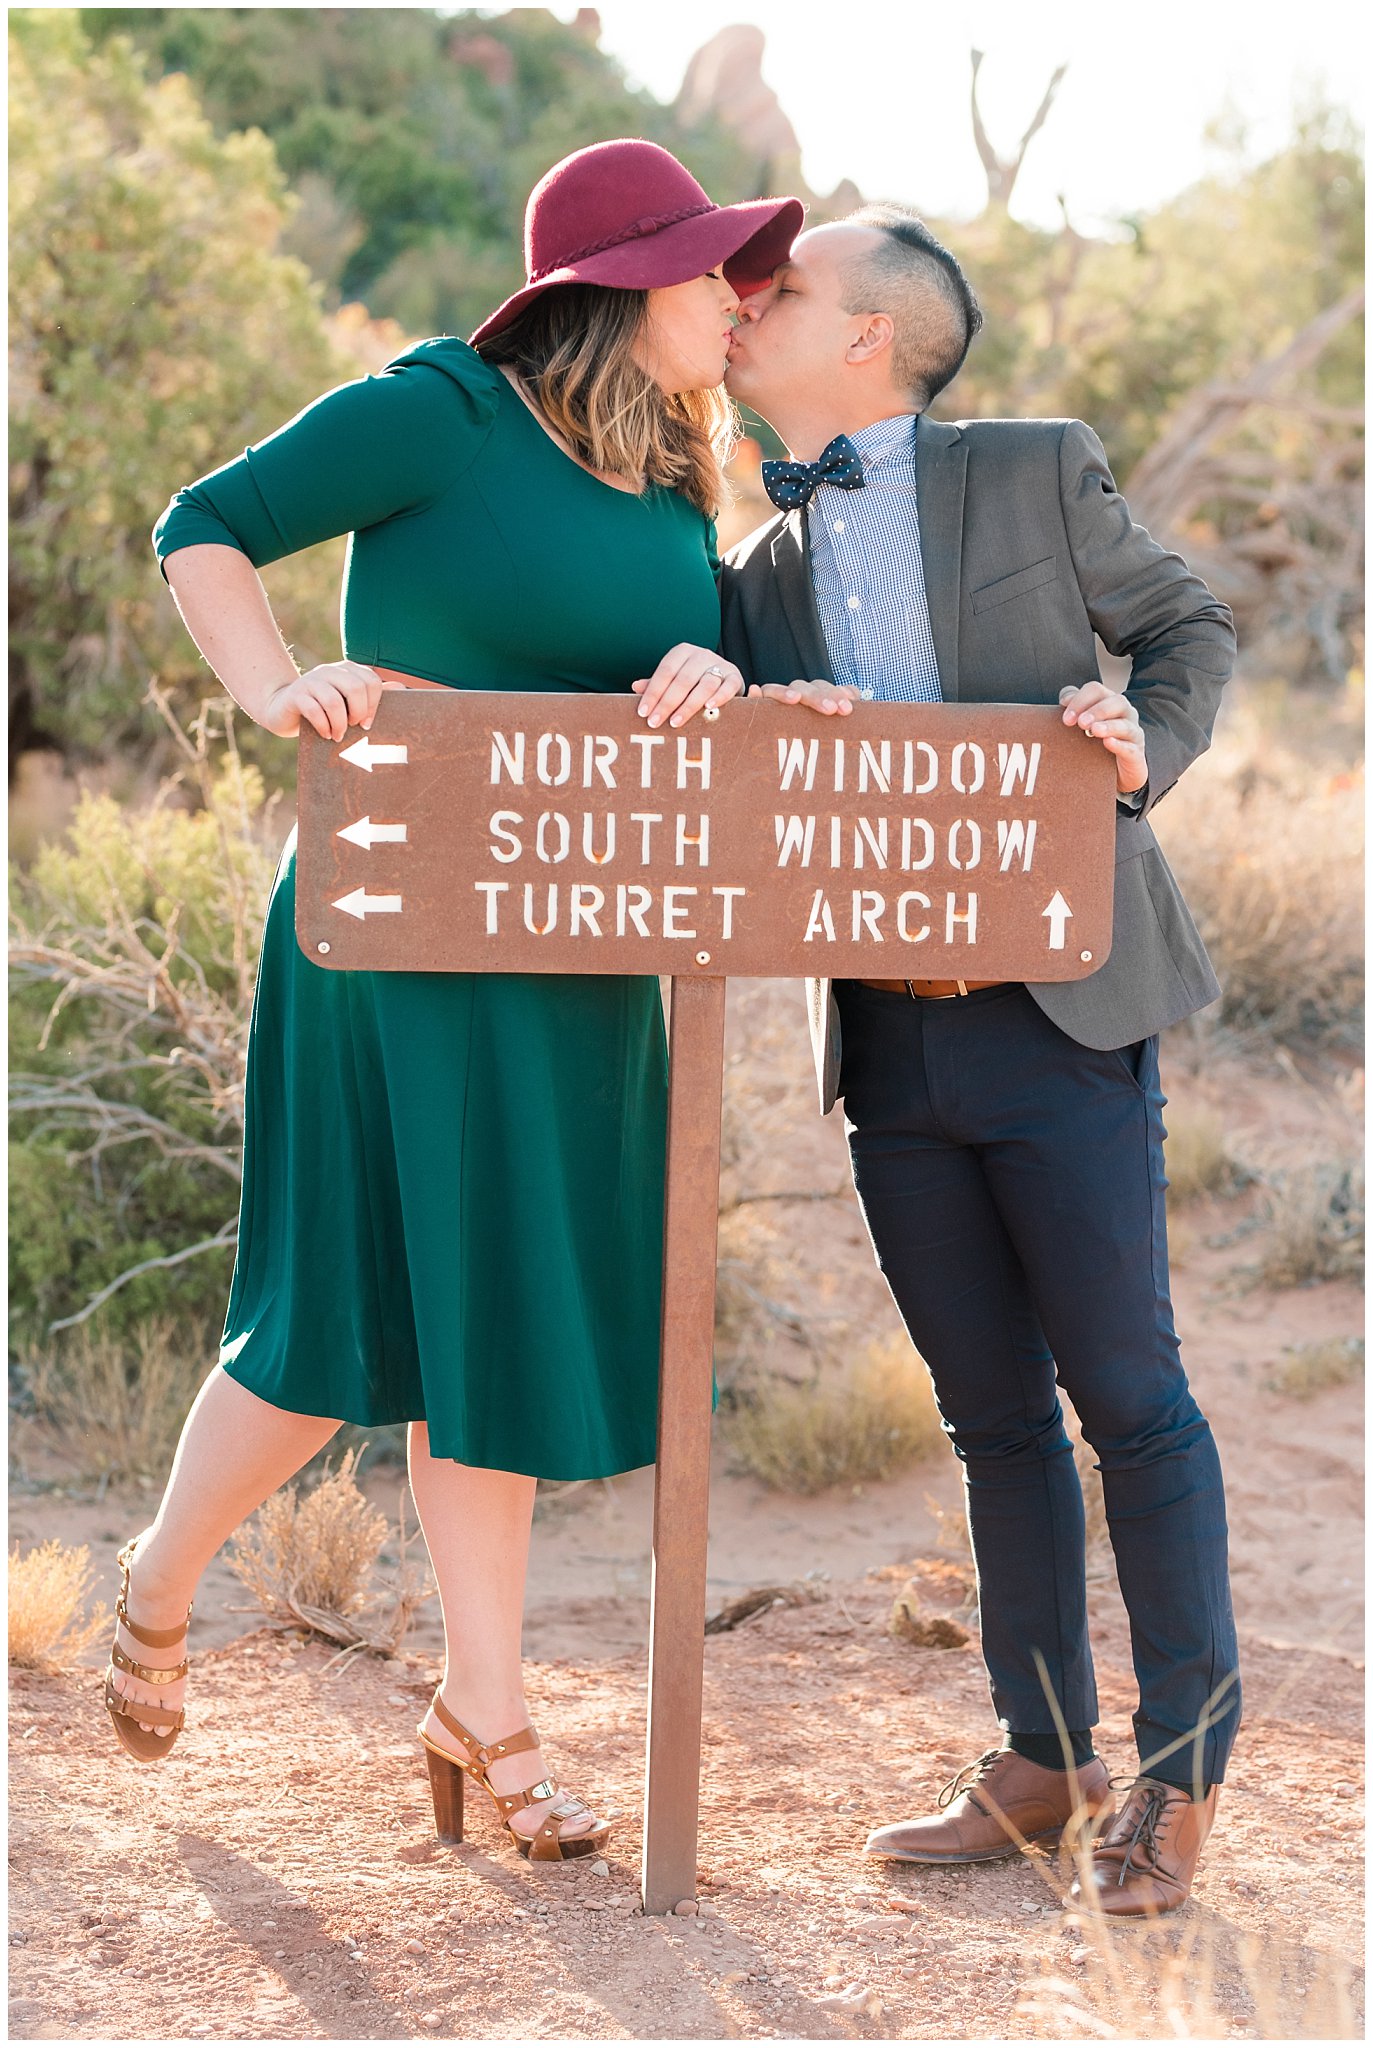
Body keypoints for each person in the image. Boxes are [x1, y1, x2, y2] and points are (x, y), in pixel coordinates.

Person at [107, 139, 800, 1865]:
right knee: (337, 1319)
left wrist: (712, 660)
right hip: (394, 927)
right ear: (614, 284)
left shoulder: (668, 471)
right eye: (711, 267)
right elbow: (204, 528)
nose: (736, 294)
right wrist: (283, 687)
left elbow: (662, 677)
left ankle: (484, 1707)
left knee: (492, 1323)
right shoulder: (443, 406)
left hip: (574, 954)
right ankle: (157, 1579)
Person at [719, 205, 1240, 1916]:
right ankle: (1039, 1753)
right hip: (884, 1049)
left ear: (868, 336)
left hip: (1061, 1014)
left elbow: (1187, 629)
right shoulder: (753, 565)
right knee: (989, 1419)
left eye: (777, 290)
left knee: (1129, 1405)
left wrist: (1134, 746)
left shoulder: (1033, 469)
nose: (743, 304)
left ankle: (1173, 1779)